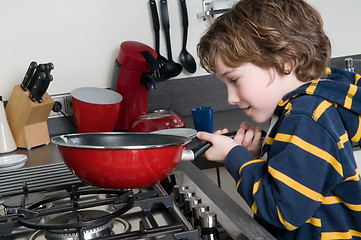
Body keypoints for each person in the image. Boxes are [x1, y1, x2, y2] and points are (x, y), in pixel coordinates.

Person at [196, 0, 361, 239]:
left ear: (286, 61)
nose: (230, 98)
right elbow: (293, 190)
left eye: (233, 80)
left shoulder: (306, 117)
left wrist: (234, 156)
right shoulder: (303, 109)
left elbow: (283, 211)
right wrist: (253, 160)